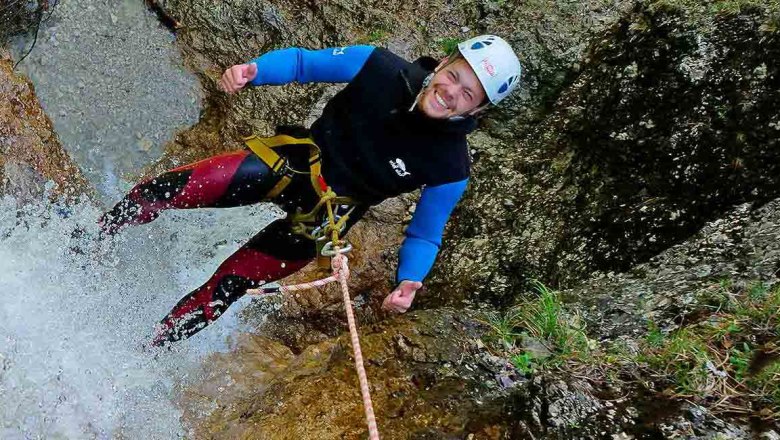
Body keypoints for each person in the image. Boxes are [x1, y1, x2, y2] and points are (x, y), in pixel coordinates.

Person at [99, 35, 522, 345]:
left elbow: (426, 233)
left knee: (225, 289)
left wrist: (410, 279)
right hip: (294, 164)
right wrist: (255, 71)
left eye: (467, 94)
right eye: (453, 76)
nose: (450, 93)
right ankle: (90, 242)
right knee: (164, 190)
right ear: (444, 62)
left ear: (478, 108)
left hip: (324, 219)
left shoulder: (450, 165)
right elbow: (304, 63)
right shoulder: (378, 66)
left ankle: (145, 351)